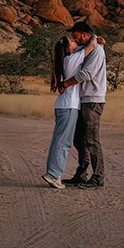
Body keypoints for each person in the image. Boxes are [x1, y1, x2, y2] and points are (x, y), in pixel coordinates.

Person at [42, 33, 97, 189]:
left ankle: (53, 173)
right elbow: (91, 45)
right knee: (63, 142)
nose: (76, 41)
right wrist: (94, 36)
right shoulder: (72, 59)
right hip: (68, 106)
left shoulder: (66, 59)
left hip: (64, 105)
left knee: (59, 141)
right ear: (68, 48)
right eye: (72, 41)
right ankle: (53, 175)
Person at [61, 20, 107, 188]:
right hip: (83, 100)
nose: (75, 38)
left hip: (93, 100)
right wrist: (96, 39)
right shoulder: (88, 47)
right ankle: (81, 174)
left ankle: (98, 177)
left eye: (76, 35)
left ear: (84, 34)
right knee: (79, 138)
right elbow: (75, 52)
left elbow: (86, 74)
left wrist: (65, 84)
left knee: (92, 140)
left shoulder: (97, 51)